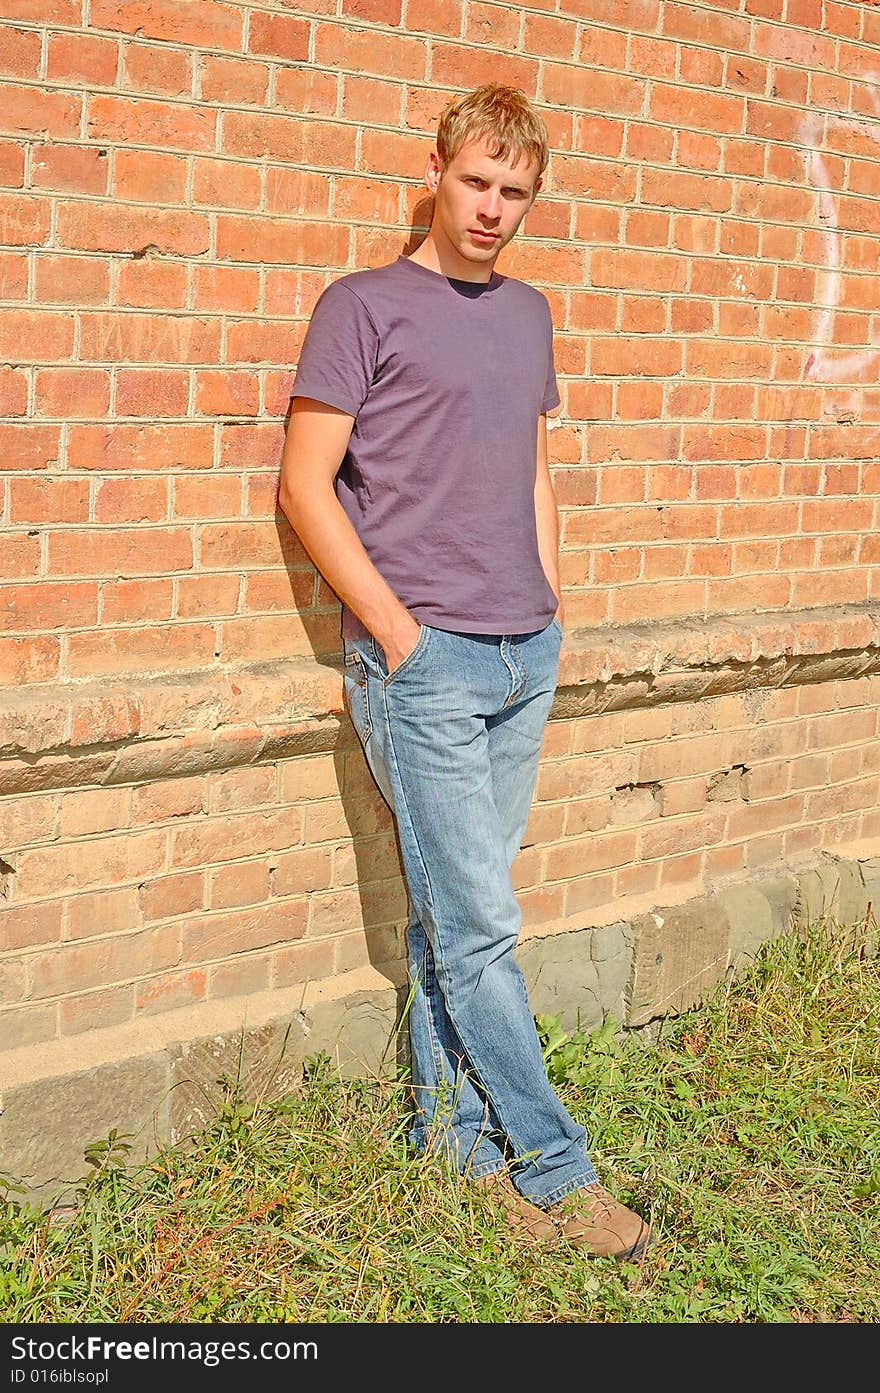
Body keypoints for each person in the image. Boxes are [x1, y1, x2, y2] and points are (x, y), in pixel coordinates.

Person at [278, 84, 651, 1260]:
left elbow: (534, 465)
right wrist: (396, 633)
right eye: (477, 183)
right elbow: (302, 486)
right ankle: (555, 1168)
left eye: (516, 193)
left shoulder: (531, 314)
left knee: (456, 919)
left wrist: (551, 601)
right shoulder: (362, 307)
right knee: (484, 924)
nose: (493, 209)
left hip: (521, 652)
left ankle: (453, 1148)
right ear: (437, 174)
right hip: (424, 664)